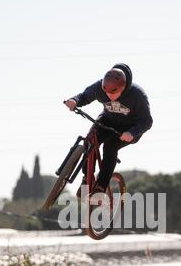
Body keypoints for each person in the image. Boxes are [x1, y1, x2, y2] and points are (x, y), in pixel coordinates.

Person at [65, 63, 153, 198]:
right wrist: (74, 100)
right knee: (90, 140)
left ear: (123, 88)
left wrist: (132, 133)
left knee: (110, 146)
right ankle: (86, 179)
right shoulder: (100, 87)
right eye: (107, 93)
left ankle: (101, 186)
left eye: (114, 93)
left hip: (129, 129)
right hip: (108, 120)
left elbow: (147, 121)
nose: (110, 96)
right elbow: (85, 96)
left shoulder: (137, 95)